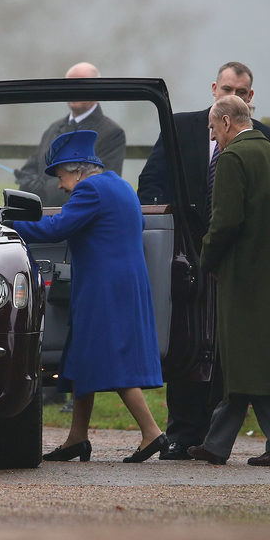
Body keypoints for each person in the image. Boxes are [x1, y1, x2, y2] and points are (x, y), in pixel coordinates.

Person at [136, 61, 270, 461]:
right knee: (186, 343)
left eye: (242, 90)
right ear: (214, 89)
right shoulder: (180, 126)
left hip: (237, 261)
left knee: (227, 348)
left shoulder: (267, 139)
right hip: (185, 253)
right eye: (226, 88)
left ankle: (216, 438)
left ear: (251, 97)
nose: (232, 95)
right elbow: (150, 183)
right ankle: (183, 432)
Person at [12, 130, 168, 463]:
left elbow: (55, 229)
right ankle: (77, 438)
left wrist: (10, 225)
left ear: (77, 169)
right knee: (84, 357)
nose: (59, 184)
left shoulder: (90, 189)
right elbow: (134, 224)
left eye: (61, 174)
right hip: (125, 284)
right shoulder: (121, 186)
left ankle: (152, 432)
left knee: (113, 359)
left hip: (104, 288)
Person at [186, 95, 270, 466]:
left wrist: (204, 261)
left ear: (225, 122)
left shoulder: (233, 158)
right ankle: (218, 444)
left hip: (242, 282)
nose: (213, 136)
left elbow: (224, 223)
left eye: (212, 128)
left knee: (248, 363)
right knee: (247, 363)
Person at [14, 62, 126, 208]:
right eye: (69, 86)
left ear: (97, 89)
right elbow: (31, 166)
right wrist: (26, 183)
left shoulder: (112, 133)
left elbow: (101, 184)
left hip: (79, 214)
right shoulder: (54, 128)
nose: (74, 91)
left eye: (81, 86)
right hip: (41, 214)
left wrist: (42, 190)